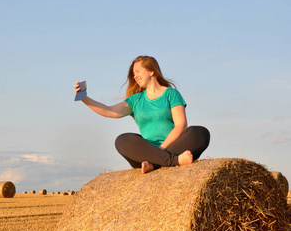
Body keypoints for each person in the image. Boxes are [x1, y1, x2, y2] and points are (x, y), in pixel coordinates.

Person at [74, 55, 210, 174]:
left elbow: (181, 125)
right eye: (133, 74)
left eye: (138, 71)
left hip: (174, 148)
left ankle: (156, 164)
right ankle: (173, 161)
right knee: (122, 140)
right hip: (145, 154)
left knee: (200, 132)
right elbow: (109, 111)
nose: (135, 76)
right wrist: (85, 98)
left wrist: (160, 152)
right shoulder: (136, 100)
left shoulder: (171, 94)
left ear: (151, 71)